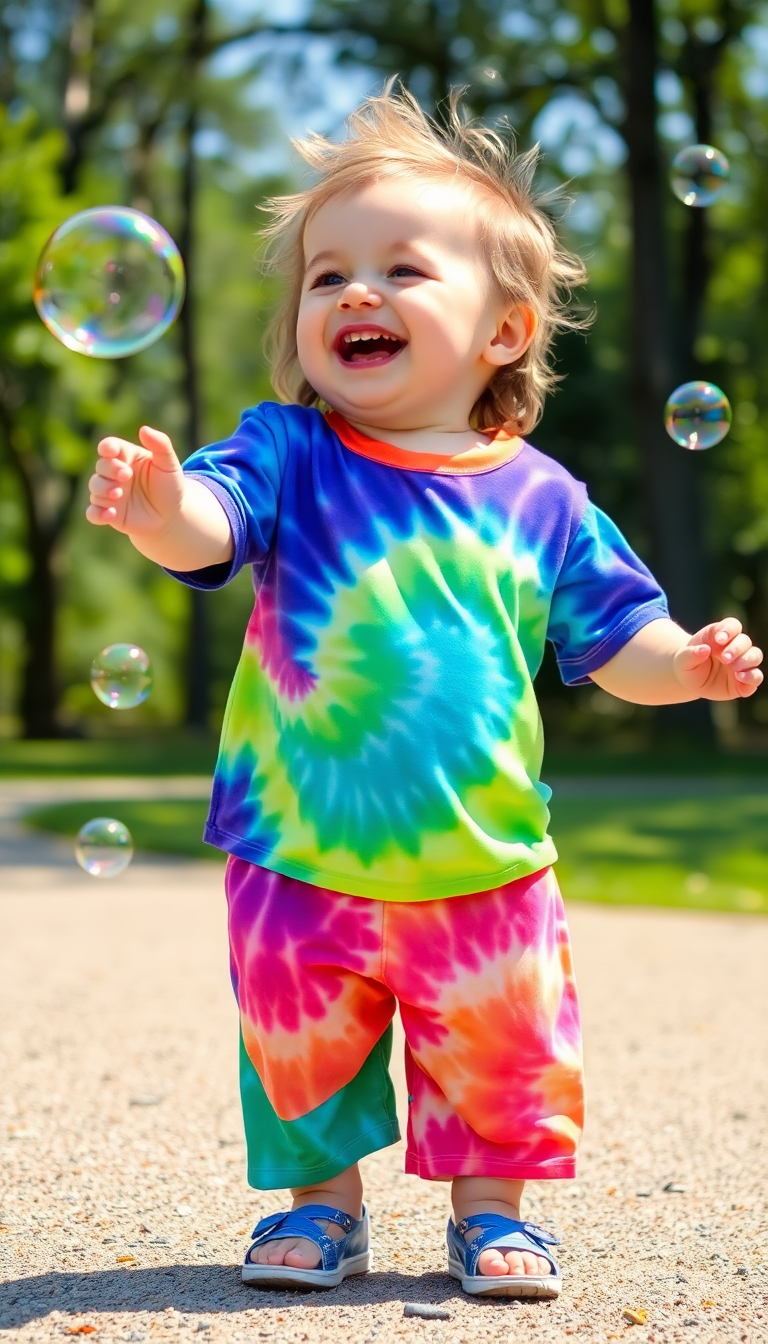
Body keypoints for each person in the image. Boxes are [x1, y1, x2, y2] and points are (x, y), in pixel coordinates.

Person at [85, 87, 763, 1300]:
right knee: (300, 1047)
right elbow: (208, 526)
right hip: (300, 843)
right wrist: (158, 511)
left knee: (499, 1048)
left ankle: (489, 1214)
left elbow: (618, 639)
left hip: (483, 854)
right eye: (325, 277)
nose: (355, 293)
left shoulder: (547, 497)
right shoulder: (285, 452)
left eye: (402, 269)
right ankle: (319, 1211)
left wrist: (691, 669)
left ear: (503, 332)